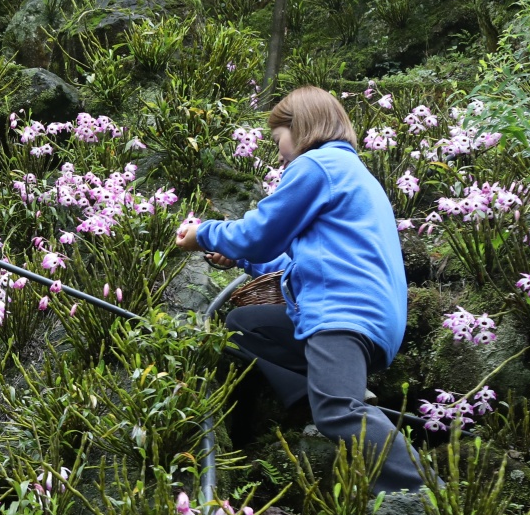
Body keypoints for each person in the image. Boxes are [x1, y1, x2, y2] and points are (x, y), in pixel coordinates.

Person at [174, 86, 420, 491]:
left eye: (279, 140)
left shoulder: (318, 166)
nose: (279, 152)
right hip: (369, 316)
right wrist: (240, 259)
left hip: (344, 313)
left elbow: (262, 232)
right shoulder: (352, 174)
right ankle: (318, 391)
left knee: (340, 411)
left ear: (302, 127)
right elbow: (299, 260)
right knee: (244, 324)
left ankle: (429, 501)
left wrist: (206, 233)